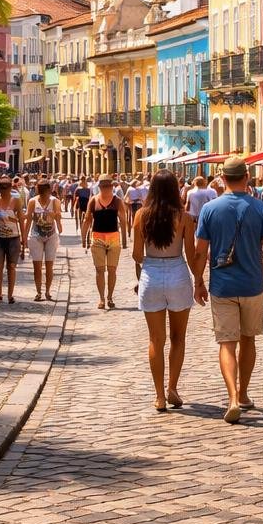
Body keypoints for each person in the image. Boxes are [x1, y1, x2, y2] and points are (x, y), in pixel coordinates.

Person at [189, 155, 263, 424]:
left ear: (222, 179)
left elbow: (199, 251)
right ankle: (243, 393)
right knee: (249, 340)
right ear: (246, 177)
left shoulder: (210, 209)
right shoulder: (261, 209)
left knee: (226, 344)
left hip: (222, 284)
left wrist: (198, 281)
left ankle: (231, 397)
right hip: (253, 284)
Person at [133, 171, 196, 412]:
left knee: (155, 339)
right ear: (174, 190)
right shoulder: (184, 217)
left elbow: (137, 254)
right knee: (178, 337)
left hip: (151, 273)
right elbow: (191, 254)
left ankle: (159, 396)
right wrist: (199, 279)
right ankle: (172, 387)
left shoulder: (141, 215)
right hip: (177, 271)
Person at [83, 176, 129, 310]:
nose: (106, 189)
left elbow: (123, 220)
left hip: (114, 238)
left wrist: (124, 240)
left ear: (112, 187)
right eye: (103, 186)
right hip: (97, 238)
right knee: (100, 270)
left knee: (112, 270)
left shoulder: (117, 201)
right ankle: (102, 298)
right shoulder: (94, 200)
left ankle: (110, 296)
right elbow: (87, 219)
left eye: (108, 186)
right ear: (100, 187)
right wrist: (83, 238)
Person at [0, 177, 24, 303]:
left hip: (13, 237)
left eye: (6, 187)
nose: (4, 190)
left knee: (12, 266)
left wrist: (23, 239)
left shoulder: (16, 201)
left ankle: (10, 295)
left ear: (10, 188)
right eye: (1, 188)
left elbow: (21, 219)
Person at [26, 180, 62, 302]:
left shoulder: (55, 201)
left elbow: (59, 221)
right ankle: (38, 291)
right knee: (37, 266)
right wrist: (24, 237)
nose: (42, 193)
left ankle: (47, 290)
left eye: (44, 191)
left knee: (49, 265)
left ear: (49, 190)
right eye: (40, 191)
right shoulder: (32, 201)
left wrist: (55, 216)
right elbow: (29, 220)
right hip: (36, 235)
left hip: (51, 235)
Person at [125, 176, 148, 247]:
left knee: (132, 218)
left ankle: (131, 233)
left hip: (133, 204)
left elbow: (125, 198)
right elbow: (142, 198)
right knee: (137, 219)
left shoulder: (131, 189)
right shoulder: (137, 189)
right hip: (137, 204)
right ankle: (137, 232)